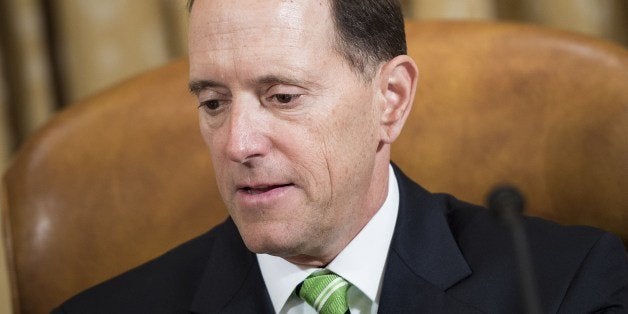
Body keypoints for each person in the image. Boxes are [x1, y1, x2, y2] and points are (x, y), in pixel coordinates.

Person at [53, 0, 627, 313]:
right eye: (212, 102)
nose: (237, 143)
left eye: (282, 97)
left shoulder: (566, 288)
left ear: (390, 99)